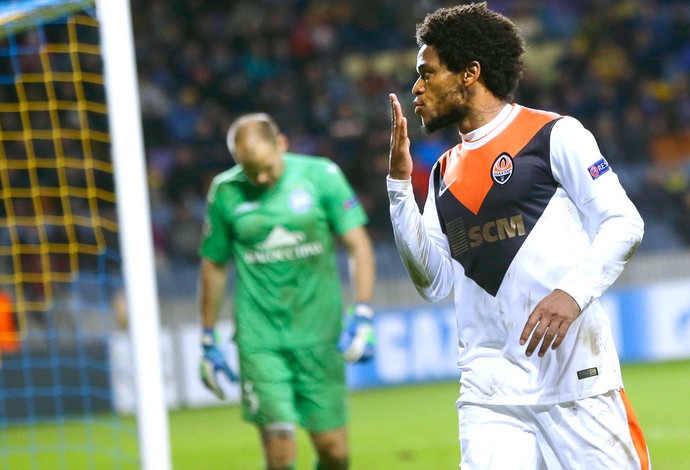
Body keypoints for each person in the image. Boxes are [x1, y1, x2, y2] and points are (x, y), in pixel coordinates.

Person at [387, 3, 650, 469]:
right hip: (489, 394)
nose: (417, 87)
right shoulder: (444, 172)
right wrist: (399, 189)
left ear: (470, 73)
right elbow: (433, 283)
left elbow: (623, 222)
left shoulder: (552, 135)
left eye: (428, 73)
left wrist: (571, 293)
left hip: (575, 379)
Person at [197, 113, 376, 470]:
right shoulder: (225, 192)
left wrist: (364, 312)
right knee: (279, 452)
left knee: (334, 451)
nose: (260, 179)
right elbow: (213, 266)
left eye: (265, 168)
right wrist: (207, 337)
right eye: (250, 171)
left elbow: (359, 246)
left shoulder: (321, 176)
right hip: (260, 338)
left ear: (281, 144)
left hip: (320, 334)